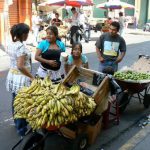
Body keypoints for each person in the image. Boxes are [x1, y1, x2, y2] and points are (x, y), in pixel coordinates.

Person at [6, 23, 34, 136]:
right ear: (23, 34)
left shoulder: (11, 44)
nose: (28, 35)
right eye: (27, 33)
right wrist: (32, 77)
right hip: (21, 78)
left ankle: (17, 123)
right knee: (22, 103)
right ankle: (21, 129)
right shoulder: (21, 47)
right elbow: (21, 66)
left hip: (13, 76)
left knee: (15, 101)